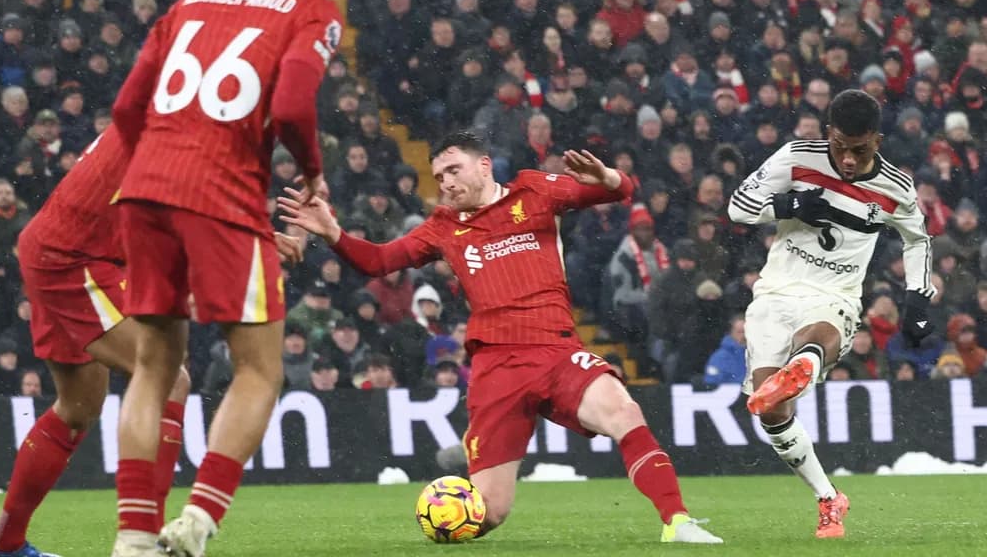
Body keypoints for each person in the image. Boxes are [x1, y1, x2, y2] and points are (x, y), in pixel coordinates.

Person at [280, 131, 721, 545]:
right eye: (439, 177)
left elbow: (616, 191)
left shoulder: (534, 192)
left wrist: (609, 177)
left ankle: (676, 521)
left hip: (556, 350)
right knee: (487, 513)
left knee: (624, 411)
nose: (446, 183)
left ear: (485, 165)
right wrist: (334, 234)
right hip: (496, 369)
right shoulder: (443, 226)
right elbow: (380, 261)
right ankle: (448, 497)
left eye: (454, 170)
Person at [109, 0, 340, 557]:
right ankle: (199, 519)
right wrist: (313, 172)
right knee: (259, 370)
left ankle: (131, 538)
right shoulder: (312, 10)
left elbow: (128, 105)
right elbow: (294, 104)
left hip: (146, 187)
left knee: (153, 367)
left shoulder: (190, 1)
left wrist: (151, 169)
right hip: (220, 195)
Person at [0, 126, 303, 557]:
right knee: (170, 379)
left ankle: (5, 544)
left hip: (60, 248)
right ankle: (146, 540)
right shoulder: (176, 129)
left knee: (77, 409)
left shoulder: (163, 114)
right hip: (73, 259)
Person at [727, 89, 932, 539]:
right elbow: (737, 209)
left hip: (834, 292)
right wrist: (788, 205)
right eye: (840, 146)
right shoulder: (797, 157)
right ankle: (828, 497)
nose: (849, 159)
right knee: (771, 412)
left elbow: (918, 239)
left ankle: (805, 363)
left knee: (816, 335)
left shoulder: (895, 187)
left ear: (877, 140)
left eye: (860, 149)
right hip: (775, 291)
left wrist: (919, 295)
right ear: (828, 134)